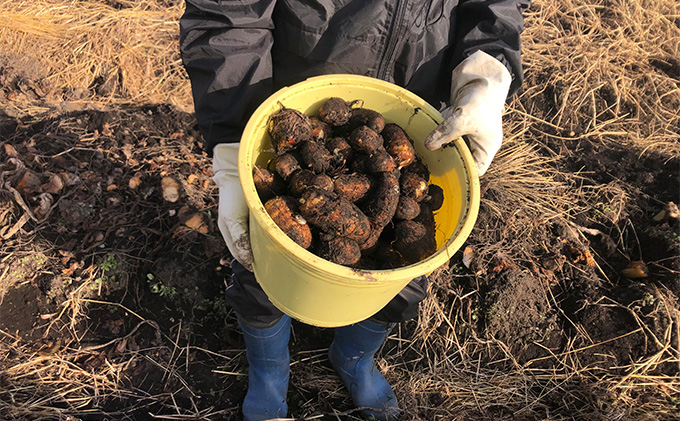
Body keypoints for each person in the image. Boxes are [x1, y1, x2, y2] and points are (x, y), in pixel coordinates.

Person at [179, 1, 529, 419]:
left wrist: (485, 69)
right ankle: (269, 372)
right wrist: (235, 138)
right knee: (261, 267)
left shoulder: (390, 176)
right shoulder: (324, 164)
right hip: (292, 82)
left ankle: (354, 360)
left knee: (398, 279)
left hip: (420, 90)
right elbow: (227, 15)